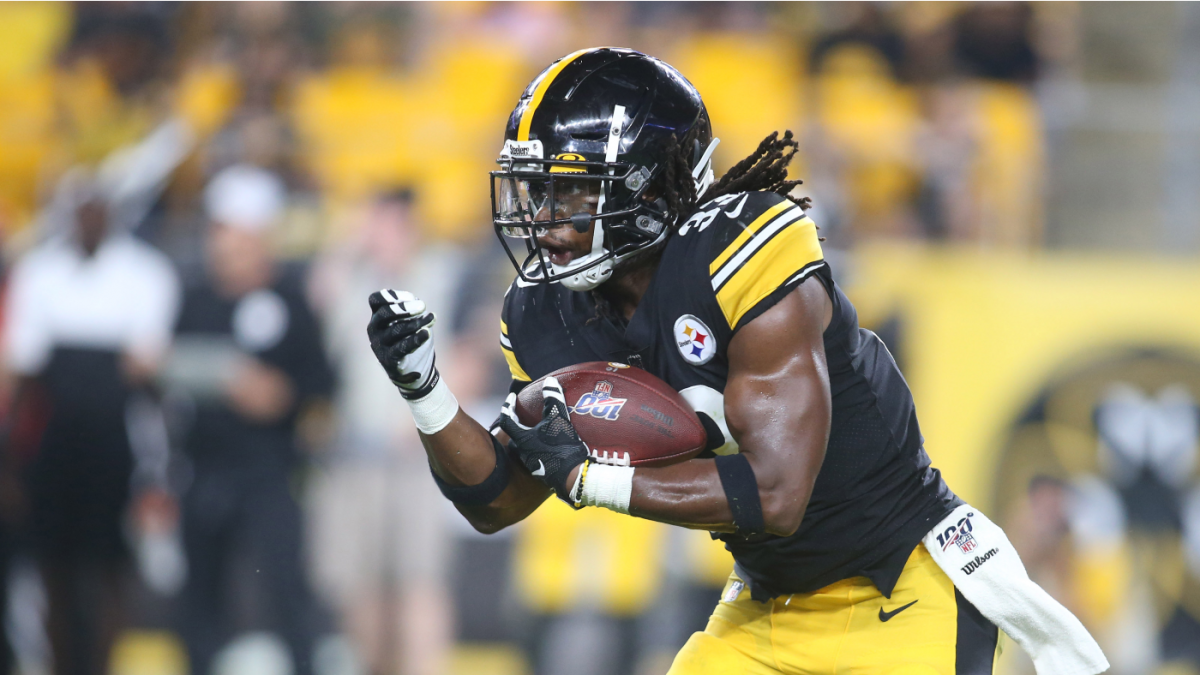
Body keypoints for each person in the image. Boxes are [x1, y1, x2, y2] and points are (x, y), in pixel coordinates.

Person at [366, 48, 1109, 674]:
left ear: (647, 189)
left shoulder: (743, 249)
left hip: (899, 587)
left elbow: (778, 494)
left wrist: (590, 477)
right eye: (537, 190)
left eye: (568, 191)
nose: (543, 217)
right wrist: (425, 391)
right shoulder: (546, 308)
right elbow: (500, 498)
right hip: (764, 606)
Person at [4, 165, 181, 675]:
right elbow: (24, 370)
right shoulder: (39, 272)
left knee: (108, 565)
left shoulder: (144, 273)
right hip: (54, 438)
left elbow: (146, 367)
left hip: (115, 438)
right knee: (53, 565)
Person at [169, 164, 332, 675]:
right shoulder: (196, 297)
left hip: (269, 473)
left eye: (228, 230)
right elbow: (170, 370)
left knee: (287, 595)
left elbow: (317, 388)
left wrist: (281, 398)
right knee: (200, 603)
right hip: (204, 469)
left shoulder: (289, 299)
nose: (219, 244)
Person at [307, 189, 459, 675]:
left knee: (420, 581)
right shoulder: (351, 282)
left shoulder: (442, 274)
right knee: (360, 589)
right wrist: (344, 244)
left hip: (420, 455)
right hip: (356, 454)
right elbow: (314, 305)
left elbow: (471, 353)